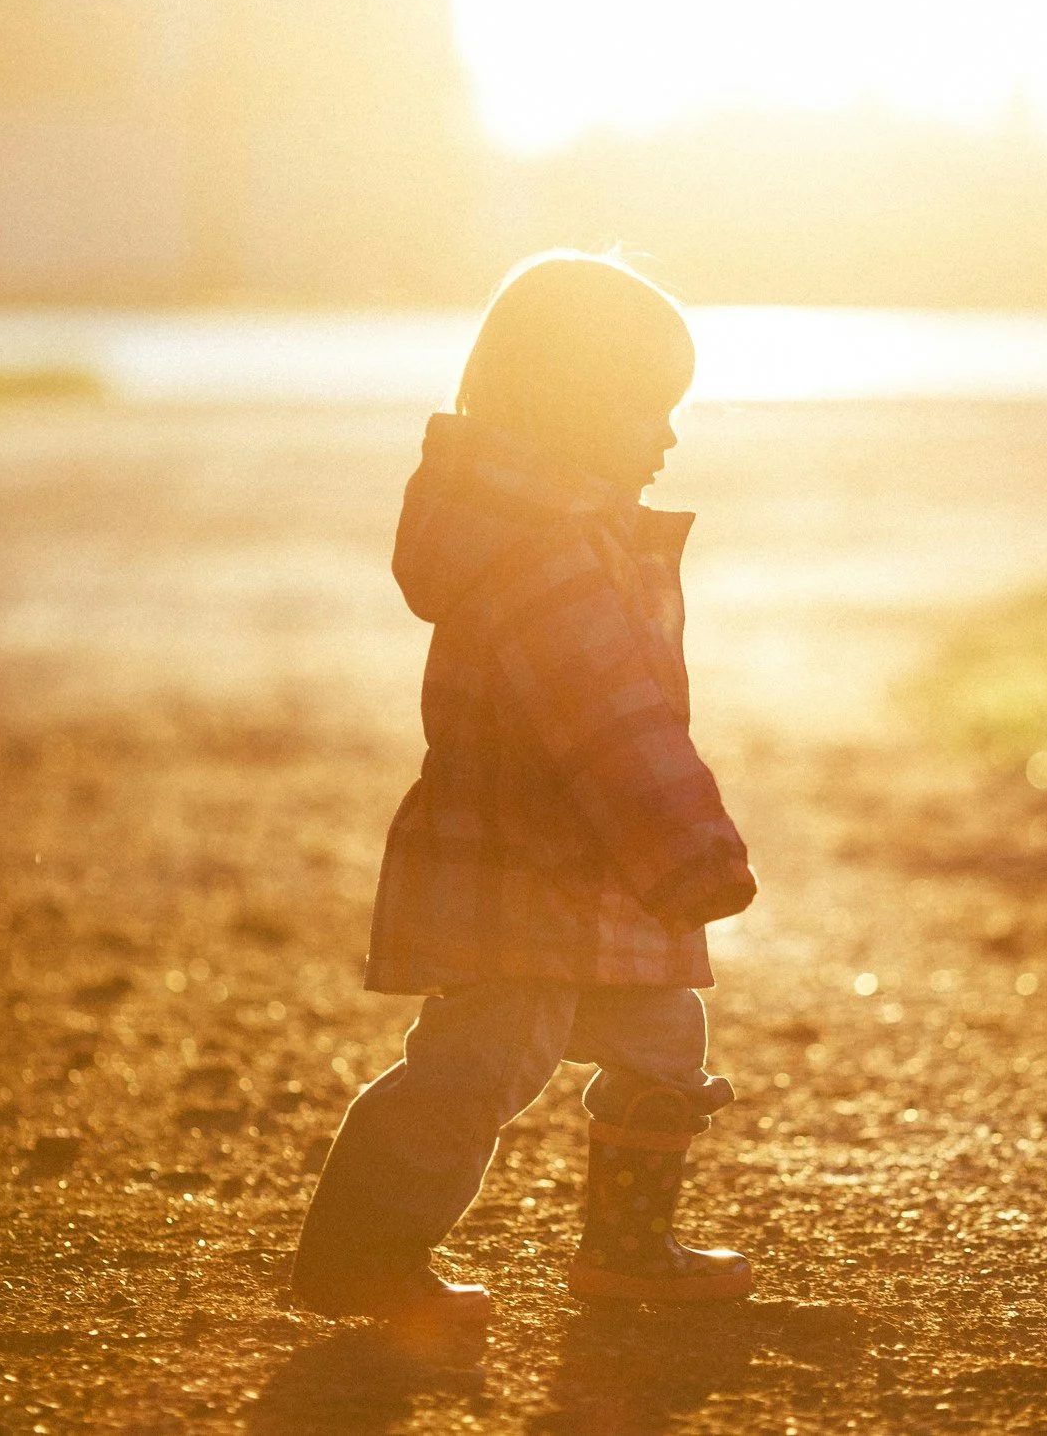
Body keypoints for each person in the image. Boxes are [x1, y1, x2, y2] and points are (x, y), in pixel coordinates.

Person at [289, 250, 759, 1322]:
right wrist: (690, 846)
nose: (670, 436)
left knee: (658, 1032)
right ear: (577, 406)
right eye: (651, 409)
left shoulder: (557, 533)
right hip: (526, 871)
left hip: (573, 869)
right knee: (481, 1062)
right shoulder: (546, 553)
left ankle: (629, 1249)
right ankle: (365, 1255)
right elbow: (609, 722)